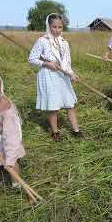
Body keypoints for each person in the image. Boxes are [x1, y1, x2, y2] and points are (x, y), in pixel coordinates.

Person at [28, 13, 83, 142]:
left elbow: (67, 62)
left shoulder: (64, 43)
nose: (57, 30)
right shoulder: (42, 41)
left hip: (63, 76)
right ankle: (55, 132)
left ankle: (76, 130)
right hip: (49, 76)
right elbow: (32, 58)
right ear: (49, 26)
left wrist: (72, 74)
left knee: (70, 104)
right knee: (53, 106)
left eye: (60, 27)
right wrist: (47, 63)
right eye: (54, 27)